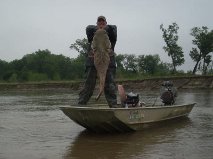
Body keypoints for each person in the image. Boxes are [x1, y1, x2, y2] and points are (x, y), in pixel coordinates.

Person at [78, 16, 118, 108]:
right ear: (96, 24)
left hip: (108, 63)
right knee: (88, 85)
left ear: (106, 23)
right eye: (99, 22)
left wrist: (103, 29)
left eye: (103, 22)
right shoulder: (92, 32)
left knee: (110, 86)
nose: (101, 24)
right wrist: (99, 29)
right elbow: (88, 28)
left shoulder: (111, 33)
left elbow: (113, 28)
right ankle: (81, 104)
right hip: (92, 63)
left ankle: (113, 106)